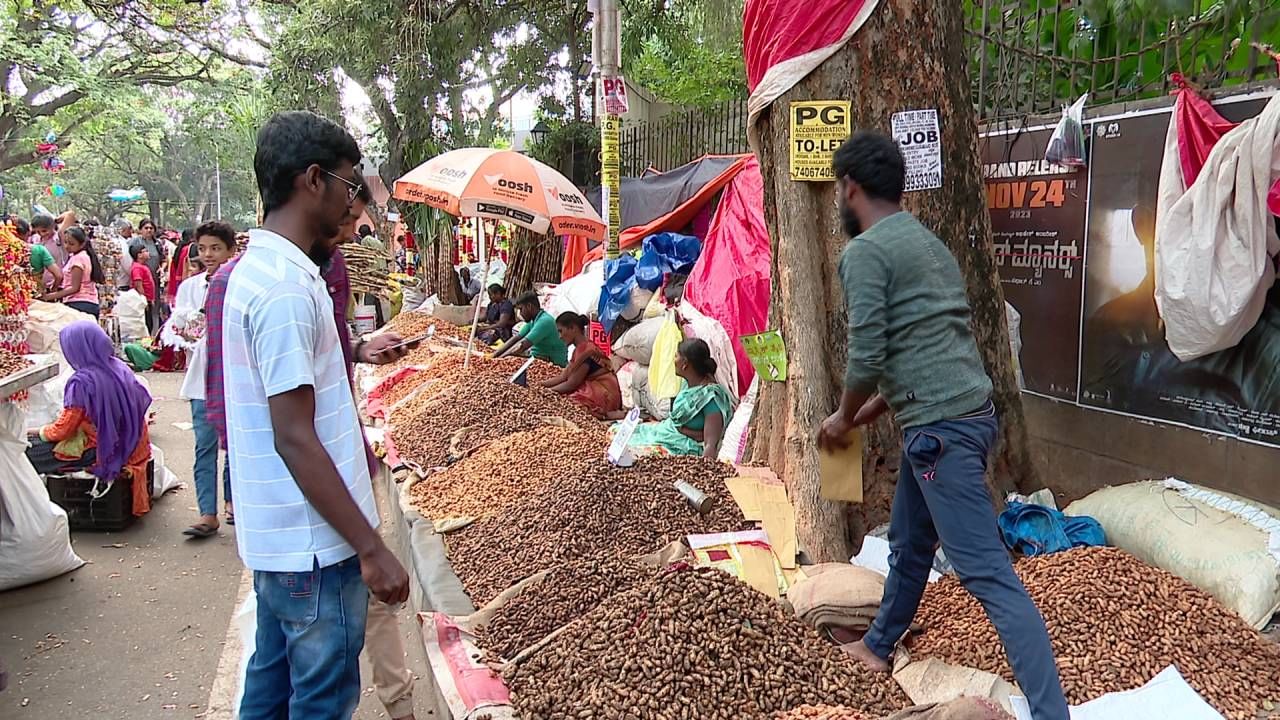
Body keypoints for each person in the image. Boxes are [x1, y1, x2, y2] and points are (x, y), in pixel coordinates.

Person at [814, 132, 1069, 720]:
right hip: (963, 419)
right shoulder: (929, 245)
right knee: (908, 543)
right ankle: (878, 646)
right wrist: (859, 413)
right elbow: (915, 362)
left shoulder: (866, 252)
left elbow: (869, 356)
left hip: (941, 434)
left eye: (838, 191)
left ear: (850, 188)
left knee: (988, 575)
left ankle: (1052, 713)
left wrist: (842, 419)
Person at [205, 176, 418, 720]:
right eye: (351, 185)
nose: (356, 207)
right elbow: (295, 436)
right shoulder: (285, 289)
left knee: (270, 687)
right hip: (315, 546)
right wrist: (371, 547)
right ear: (314, 180)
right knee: (320, 700)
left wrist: (355, 349)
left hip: (282, 538)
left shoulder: (264, 272)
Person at [25, 321, 153, 517]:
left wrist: (32, 431)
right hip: (132, 444)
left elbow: (62, 430)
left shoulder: (82, 382)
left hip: (101, 451)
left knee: (25, 451)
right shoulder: (120, 369)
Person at [175, 221, 237, 539]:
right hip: (201, 378)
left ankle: (232, 503)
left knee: (234, 445)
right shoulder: (190, 287)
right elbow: (175, 328)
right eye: (203, 249)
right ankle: (207, 513)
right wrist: (187, 334)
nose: (208, 254)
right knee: (205, 445)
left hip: (231, 377)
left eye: (215, 248)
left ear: (231, 250)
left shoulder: (239, 284)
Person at [616, 338, 732, 458]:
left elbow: (710, 444)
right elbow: (677, 423)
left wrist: (704, 471)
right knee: (617, 433)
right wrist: (681, 429)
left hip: (683, 446)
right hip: (669, 433)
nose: (673, 360)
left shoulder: (710, 399)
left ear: (685, 364)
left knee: (634, 452)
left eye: (676, 356)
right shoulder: (687, 384)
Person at [542, 312, 622, 418]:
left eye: (561, 331)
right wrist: (540, 385)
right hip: (598, 389)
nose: (560, 337)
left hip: (606, 393)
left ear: (573, 328)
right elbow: (563, 376)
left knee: (569, 405)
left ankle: (606, 414)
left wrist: (546, 392)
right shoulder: (580, 349)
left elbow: (572, 383)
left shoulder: (586, 350)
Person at [42, 226, 104, 317]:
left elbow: (74, 288)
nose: (67, 246)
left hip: (79, 303)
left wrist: (49, 297)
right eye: (65, 242)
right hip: (88, 303)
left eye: (71, 244)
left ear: (82, 244)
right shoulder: (82, 256)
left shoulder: (77, 259)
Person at [493, 291, 568, 366]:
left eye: (521, 309)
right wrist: (495, 355)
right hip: (538, 358)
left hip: (552, 363)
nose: (520, 314)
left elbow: (522, 346)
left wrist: (500, 360)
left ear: (529, 306)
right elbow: (516, 338)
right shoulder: (533, 320)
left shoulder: (544, 321)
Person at [20, 218, 62, 292]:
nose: (42, 234)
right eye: (38, 232)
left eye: (44, 231)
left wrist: (55, 220)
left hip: (56, 283)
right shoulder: (36, 242)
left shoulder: (59, 239)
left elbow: (70, 215)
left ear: (52, 226)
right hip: (40, 286)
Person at [130, 244, 157, 331]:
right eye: (145, 251)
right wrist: (143, 300)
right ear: (139, 255)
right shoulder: (137, 268)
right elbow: (138, 285)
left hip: (147, 299)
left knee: (150, 323)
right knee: (146, 324)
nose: (148, 252)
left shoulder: (143, 266)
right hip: (143, 301)